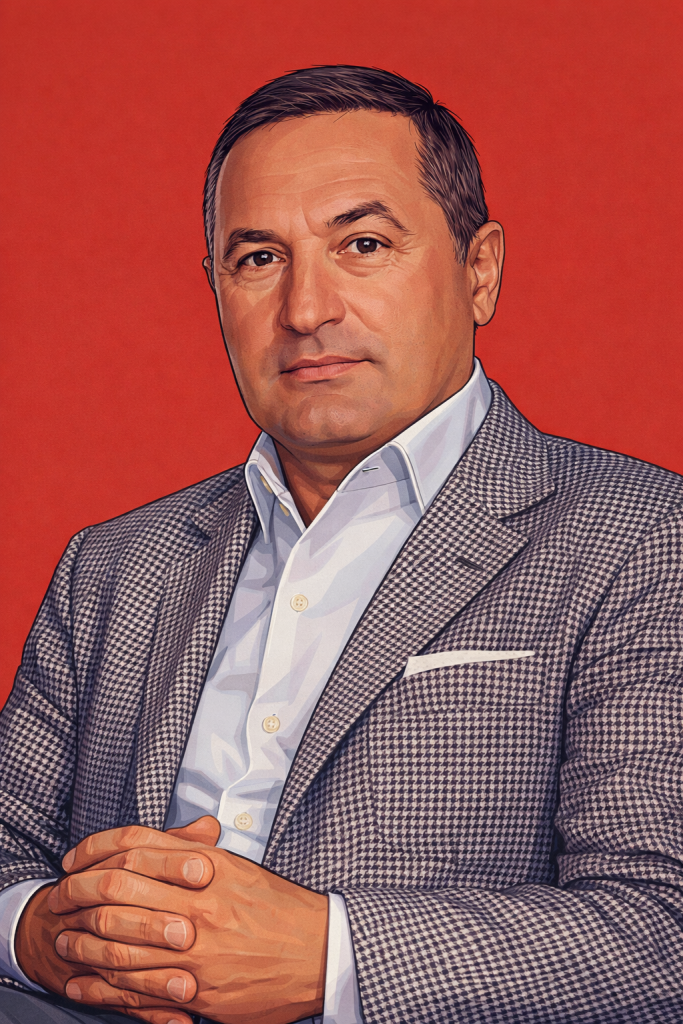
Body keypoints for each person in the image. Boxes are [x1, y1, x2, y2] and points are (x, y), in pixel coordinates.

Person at [0, 65, 681, 1024]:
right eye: (258, 258)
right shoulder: (115, 563)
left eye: (362, 244)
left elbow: (660, 933)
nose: (306, 309)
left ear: (479, 270)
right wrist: (38, 934)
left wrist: (328, 958)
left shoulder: (641, 537)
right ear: (216, 291)